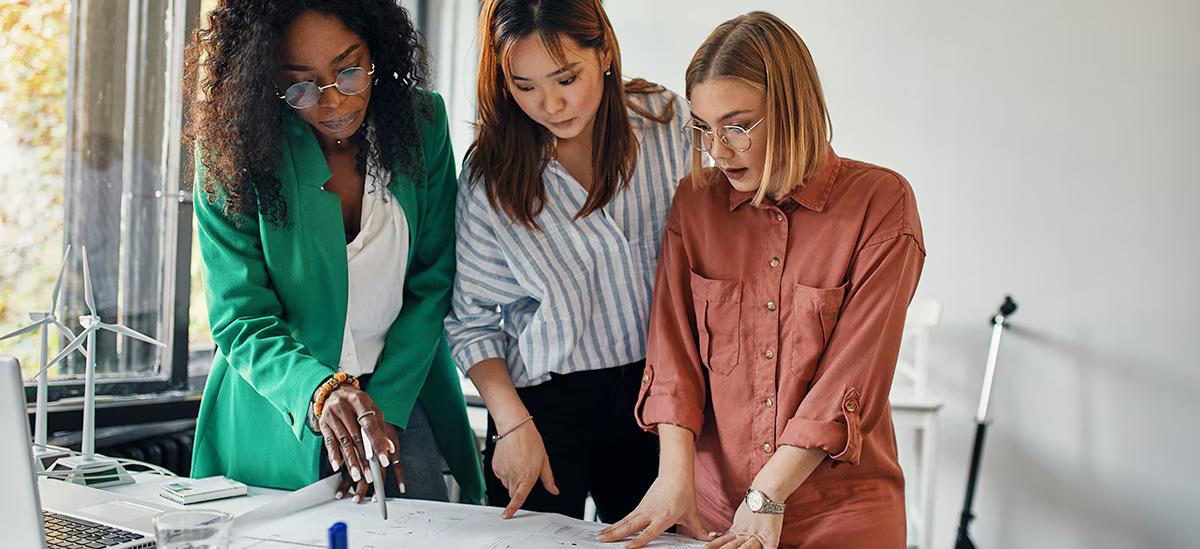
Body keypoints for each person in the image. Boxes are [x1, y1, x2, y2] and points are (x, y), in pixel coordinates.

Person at [600, 11, 926, 549]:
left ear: (792, 109)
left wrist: (766, 495)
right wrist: (673, 479)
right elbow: (674, 354)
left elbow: (852, 376)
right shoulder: (695, 203)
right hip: (712, 514)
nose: (717, 150)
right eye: (703, 128)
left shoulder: (881, 203)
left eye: (737, 125)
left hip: (841, 517)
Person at [184, 0, 483, 505]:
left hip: (403, 394)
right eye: (300, 86)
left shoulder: (421, 121)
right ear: (265, 80)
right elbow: (240, 316)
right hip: (279, 407)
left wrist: (382, 408)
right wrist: (322, 391)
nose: (333, 102)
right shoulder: (232, 150)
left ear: (376, 50)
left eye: (349, 71)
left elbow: (433, 281)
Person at [444, 0, 691, 521]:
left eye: (565, 78)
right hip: (542, 408)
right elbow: (471, 323)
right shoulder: (492, 176)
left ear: (603, 50)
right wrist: (512, 426)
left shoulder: (670, 125)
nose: (551, 104)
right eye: (525, 86)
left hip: (661, 400)